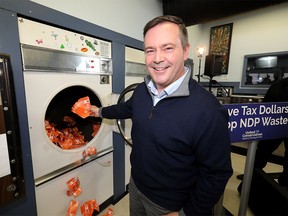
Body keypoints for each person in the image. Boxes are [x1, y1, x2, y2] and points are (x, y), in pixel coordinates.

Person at [90, 15, 233, 216]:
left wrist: (186, 213)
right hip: (136, 187)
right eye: (150, 50)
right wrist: (99, 111)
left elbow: (216, 174)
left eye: (167, 48)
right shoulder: (142, 91)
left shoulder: (208, 110)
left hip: (169, 205)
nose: (157, 58)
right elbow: (125, 109)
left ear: (185, 51)